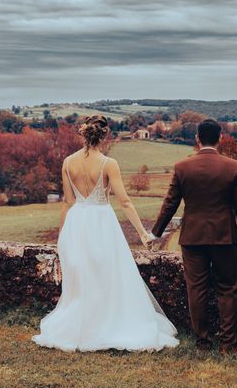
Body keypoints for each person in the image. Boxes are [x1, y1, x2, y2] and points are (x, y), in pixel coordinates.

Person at [32, 115, 179, 352]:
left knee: (82, 276)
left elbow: (67, 202)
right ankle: (105, 325)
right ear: (105, 135)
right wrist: (142, 233)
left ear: (84, 134)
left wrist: (62, 236)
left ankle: (84, 327)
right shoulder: (109, 163)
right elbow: (125, 201)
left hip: (77, 222)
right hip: (101, 221)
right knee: (106, 273)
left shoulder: (68, 162)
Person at [151, 119, 237, 354]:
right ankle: (228, 344)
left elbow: (170, 204)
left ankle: (203, 342)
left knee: (196, 289)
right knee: (228, 288)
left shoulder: (182, 167)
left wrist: (156, 233)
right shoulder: (232, 166)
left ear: (197, 138)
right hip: (224, 237)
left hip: (193, 238)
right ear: (220, 138)